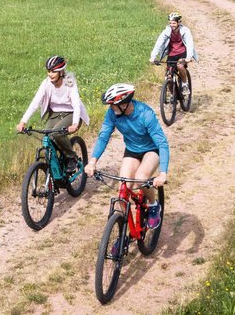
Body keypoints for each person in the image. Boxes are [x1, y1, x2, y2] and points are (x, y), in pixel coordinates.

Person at [85, 83, 169, 229]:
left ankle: (153, 205)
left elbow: (162, 144)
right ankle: (122, 235)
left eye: (113, 105)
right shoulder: (113, 114)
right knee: (122, 193)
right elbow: (103, 136)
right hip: (132, 151)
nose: (111, 108)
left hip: (151, 150)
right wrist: (92, 161)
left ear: (124, 104)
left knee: (141, 178)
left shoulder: (145, 114)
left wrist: (162, 173)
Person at [16, 55, 90, 171]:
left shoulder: (69, 81)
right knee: (47, 142)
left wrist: (75, 123)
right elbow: (35, 102)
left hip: (71, 113)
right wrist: (23, 121)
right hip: (55, 114)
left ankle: (71, 157)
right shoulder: (46, 83)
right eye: (49, 71)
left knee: (56, 134)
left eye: (53, 71)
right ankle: (55, 174)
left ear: (61, 72)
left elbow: (76, 104)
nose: (50, 74)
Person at [149, 12, 198, 96]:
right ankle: (174, 95)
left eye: (174, 23)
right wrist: (153, 57)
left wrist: (189, 57)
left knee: (180, 66)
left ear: (179, 22)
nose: (172, 25)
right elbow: (159, 43)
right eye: (170, 23)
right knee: (168, 76)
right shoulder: (166, 31)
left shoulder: (185, 31)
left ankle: (184, 84)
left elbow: (189, 44)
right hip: (172, 54)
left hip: (182, 53)